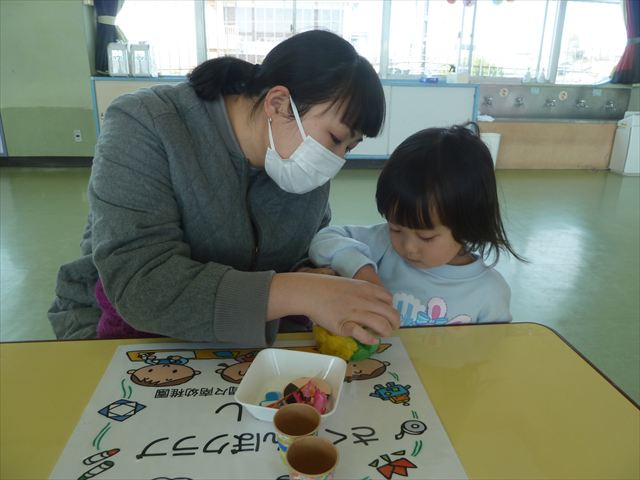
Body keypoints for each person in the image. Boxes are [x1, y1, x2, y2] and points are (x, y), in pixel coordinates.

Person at [49, 30, 400, 346]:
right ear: (278, 104)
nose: (336, 159)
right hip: (119, 335)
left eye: (348, 148)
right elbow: (141, 285)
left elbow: (300, 249)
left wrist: (313, 275)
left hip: (242, 339)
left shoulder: (300, 163)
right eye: (335, 138)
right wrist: (299, 291)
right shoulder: (146, 124)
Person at [309, 123, 524, 326]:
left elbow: (494, 349)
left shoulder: (490, 294)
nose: (408, 247)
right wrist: (360, 270)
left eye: (426, 237)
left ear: (468, 223)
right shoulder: (382, 244)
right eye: (396, 228)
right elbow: (324, 240)